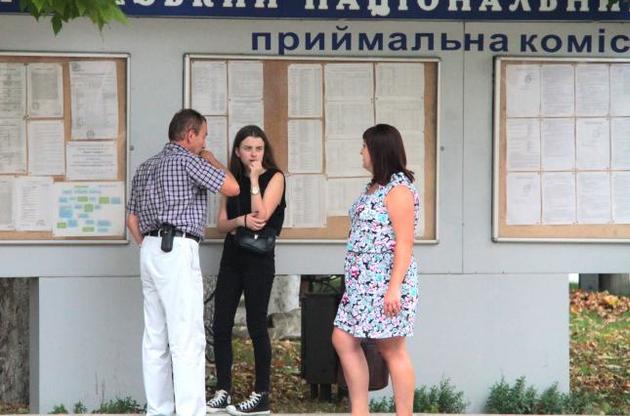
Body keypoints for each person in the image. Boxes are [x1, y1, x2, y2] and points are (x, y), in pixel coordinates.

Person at [127, 109, 239, 416]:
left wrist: (148, 245)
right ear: (190, 135)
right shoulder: (189, 161)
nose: (204, 142)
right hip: (177, 247)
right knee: (186, 336)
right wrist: (212, 160)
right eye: (203, 136)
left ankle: (159, 409)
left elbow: (132, 219)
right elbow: (233, 187)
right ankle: (190, 411)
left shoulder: (146, 166)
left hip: (150, 249)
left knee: (155, 337)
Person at [332, 124, 420, 416]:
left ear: (378, 151)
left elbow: (405, 242)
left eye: (364, 146)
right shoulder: (375, 186)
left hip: (384, 281)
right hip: (361, 282)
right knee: (343, 338)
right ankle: (360, 411)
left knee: (391, 349)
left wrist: (394, 288)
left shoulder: (398, 190)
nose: (361, 152)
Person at [206, 125, 286, 416]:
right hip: (232, 257)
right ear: (238, 152)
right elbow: (221, 225)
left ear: (265, 151)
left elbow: (261, 216)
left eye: (259, 148)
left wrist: (254, 180)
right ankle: (223, 390)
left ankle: (261, 395)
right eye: (248, 148)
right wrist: (240, 220)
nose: (253, 154)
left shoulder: (275, 177)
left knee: (256, 325)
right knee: (221, 324)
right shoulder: (231, 181)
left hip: (259, 260)